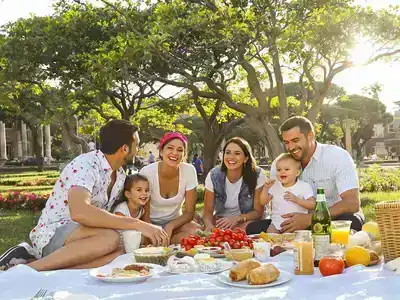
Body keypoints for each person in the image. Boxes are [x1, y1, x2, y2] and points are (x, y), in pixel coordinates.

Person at [0, 120, 168, 271]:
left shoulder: (121, 175)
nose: (137, 150)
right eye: (136, 145)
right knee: (110, 238)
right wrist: (138, 225)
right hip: (54, 232)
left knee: (119, 253)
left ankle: (49, 269)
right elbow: (80, 212)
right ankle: (27, 271)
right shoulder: (86, 165)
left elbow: (126, 207)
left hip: (86, 238)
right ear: (125, 148)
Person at [247, 116, 364, 234]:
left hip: (330, 218)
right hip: (289, 221)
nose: (290, 147)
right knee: (252, 229)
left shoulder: (337, 156)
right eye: (286, 142)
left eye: (295, 140)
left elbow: (352, 203)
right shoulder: (279, 164)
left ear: (310, 136)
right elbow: (271, 199)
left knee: (352, 222)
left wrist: (311, 219)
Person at [139, 132, 200, 244]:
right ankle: (164, 242)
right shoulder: (147, 172)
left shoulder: (189, 170)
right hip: (150, 223)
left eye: (180, 150)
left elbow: (189, 213)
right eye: (170, 148)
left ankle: (166, 243)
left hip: (176, 223)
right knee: (139, 240)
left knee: (196, 231)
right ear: (161, 151)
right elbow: (143, 211)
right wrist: (152, 231)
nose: (175, 153)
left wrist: (170, 226)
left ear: (184, 154)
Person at [202, 137, 266, 232]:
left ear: (245, 158)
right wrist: (209, 226)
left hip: (246, 220)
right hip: (222, 220)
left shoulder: (257, 174)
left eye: (237, 153)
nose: (231, 157)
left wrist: (237, 218)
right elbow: (207, 211)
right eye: (227, 153)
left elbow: (258, 212)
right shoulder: (214, 175)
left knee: (242, 230)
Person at [260, 153, 315, 233]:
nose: (282, 172)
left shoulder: (303, 186)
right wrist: (265, 188)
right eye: (279, 170)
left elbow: (313, 205)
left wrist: (297, 200)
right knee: (271, 235)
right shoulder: (275, 185)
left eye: (286, 169)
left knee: (289, 241)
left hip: (295, 224)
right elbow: (263, 202)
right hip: (276, 223)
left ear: (297, 173)